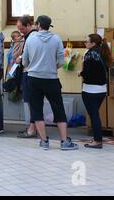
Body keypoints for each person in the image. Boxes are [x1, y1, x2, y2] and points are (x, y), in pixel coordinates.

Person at [22, 15, 78, 150]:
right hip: (51, 79)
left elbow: (25, 61)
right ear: (49, 26)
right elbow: (61, 62)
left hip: (33, 78)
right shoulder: (56, 39)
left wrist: (34, 67)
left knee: (36, 108)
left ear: (38, 25)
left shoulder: (31, 39)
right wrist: (51, 68)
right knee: (58, 107)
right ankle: (64, 141)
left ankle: (44, 141)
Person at [78, 34, 111, 149]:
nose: (85, 43)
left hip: (90, 90)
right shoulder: (103, 52)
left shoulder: (89, 54)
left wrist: (80, 73)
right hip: (102, 90)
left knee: (94, 116)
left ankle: (97, 140)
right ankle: (97, 138)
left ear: (93, 43)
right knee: (95, 114)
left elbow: (88, 73)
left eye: (87, 41)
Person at [15, 16, 38, 138]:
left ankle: (33, 128)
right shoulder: (30, 36)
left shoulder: (33, 37)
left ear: (29, 25)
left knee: (32, 101)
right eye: (19, 29)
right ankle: (32, 126)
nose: (20, 31)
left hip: (29, 72)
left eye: (22, 28)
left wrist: (21, 58)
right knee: (30, 101)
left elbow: (30, 56)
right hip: (30, 72)